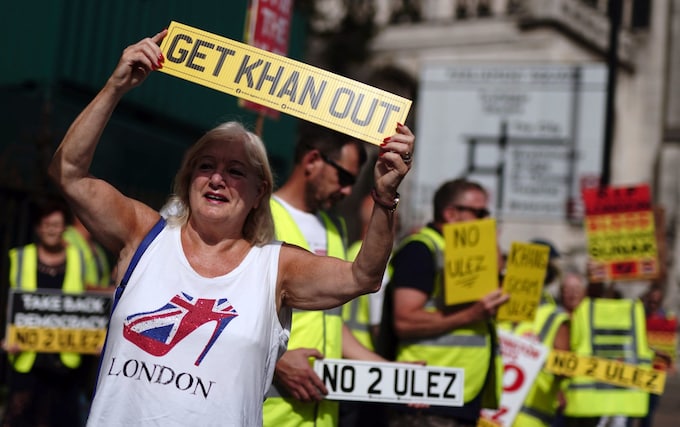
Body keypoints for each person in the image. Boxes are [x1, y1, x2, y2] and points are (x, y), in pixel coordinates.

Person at [47, 29, 414, 427]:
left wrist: (383, 197)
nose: (217, 179)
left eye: (235, 170)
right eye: (206, 166)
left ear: (259, 193)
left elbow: (363, 276)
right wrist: (115, 87)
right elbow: (68, 173)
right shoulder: (144, 235)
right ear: (189, 178)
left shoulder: (275, 267)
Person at [263, 122, 397, 427]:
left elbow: (332, 325)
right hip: (267, 415)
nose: (348, 190)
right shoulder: (260, 216)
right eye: (344, 177)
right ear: (312, 161)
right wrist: (276, 361)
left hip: (322, 416)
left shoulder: (335, 229)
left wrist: (395, 373)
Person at [386, 177, 510, 427]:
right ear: (451, 213)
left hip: (458, 395)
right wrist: (471, 314)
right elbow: (405, 320)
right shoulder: (421, 250)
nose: (486, 220)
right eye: (480, 212)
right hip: (426, 397)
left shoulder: (466, 255)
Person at [4, 196, 87, 427]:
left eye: (57, 225)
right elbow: (8, 302)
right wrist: (6, 336)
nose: (52, 230)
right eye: (47, 225)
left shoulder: (78, 259)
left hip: (64, 355)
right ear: (39, 228)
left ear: (65, 229)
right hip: (25, 353)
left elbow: (87, 303)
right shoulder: (20, 257)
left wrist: (94, 336)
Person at [63, 215, 112, 288]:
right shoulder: (67, 238)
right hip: (76, 298)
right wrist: (107, 291)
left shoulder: (97, 246)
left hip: (98, 298)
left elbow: (102, 280)